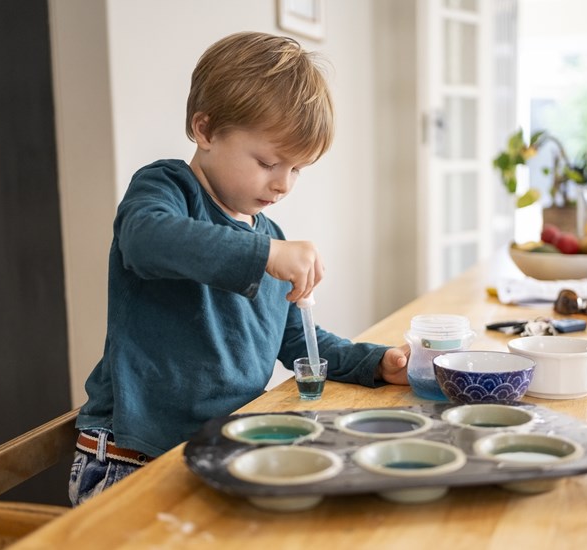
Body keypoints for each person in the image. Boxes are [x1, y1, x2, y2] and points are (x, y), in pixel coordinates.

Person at [68, 31, 411, 506]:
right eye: (269, 162)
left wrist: (372, 363)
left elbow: (297, 338)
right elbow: (145, 240)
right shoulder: (166, 190)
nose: (283, 183)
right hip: (132, 457)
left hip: (220, 448)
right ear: (205, 130)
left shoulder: (268, 234)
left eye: (297, 170)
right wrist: (266, 255)